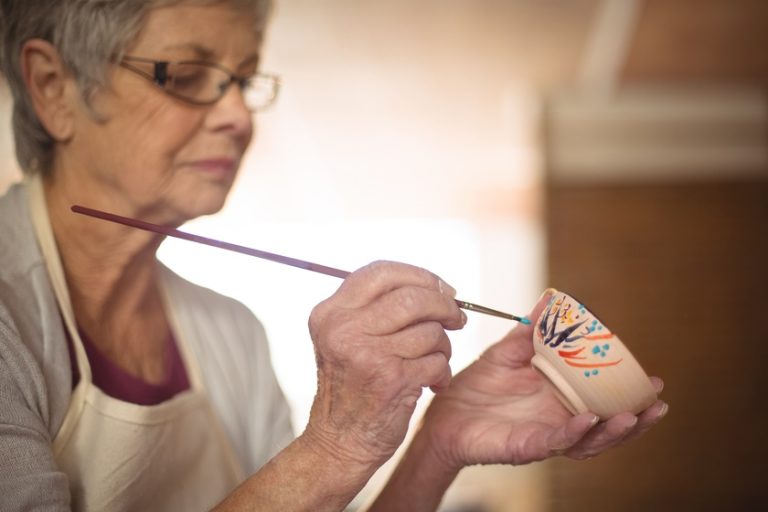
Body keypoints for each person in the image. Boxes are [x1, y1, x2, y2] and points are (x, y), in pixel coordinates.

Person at [0, 1, 668, 510]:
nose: (238, 114)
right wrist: (335, 445)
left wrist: (438, 443)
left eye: (244, 78)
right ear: (53, 87)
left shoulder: (231, 333)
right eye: (189, 74)